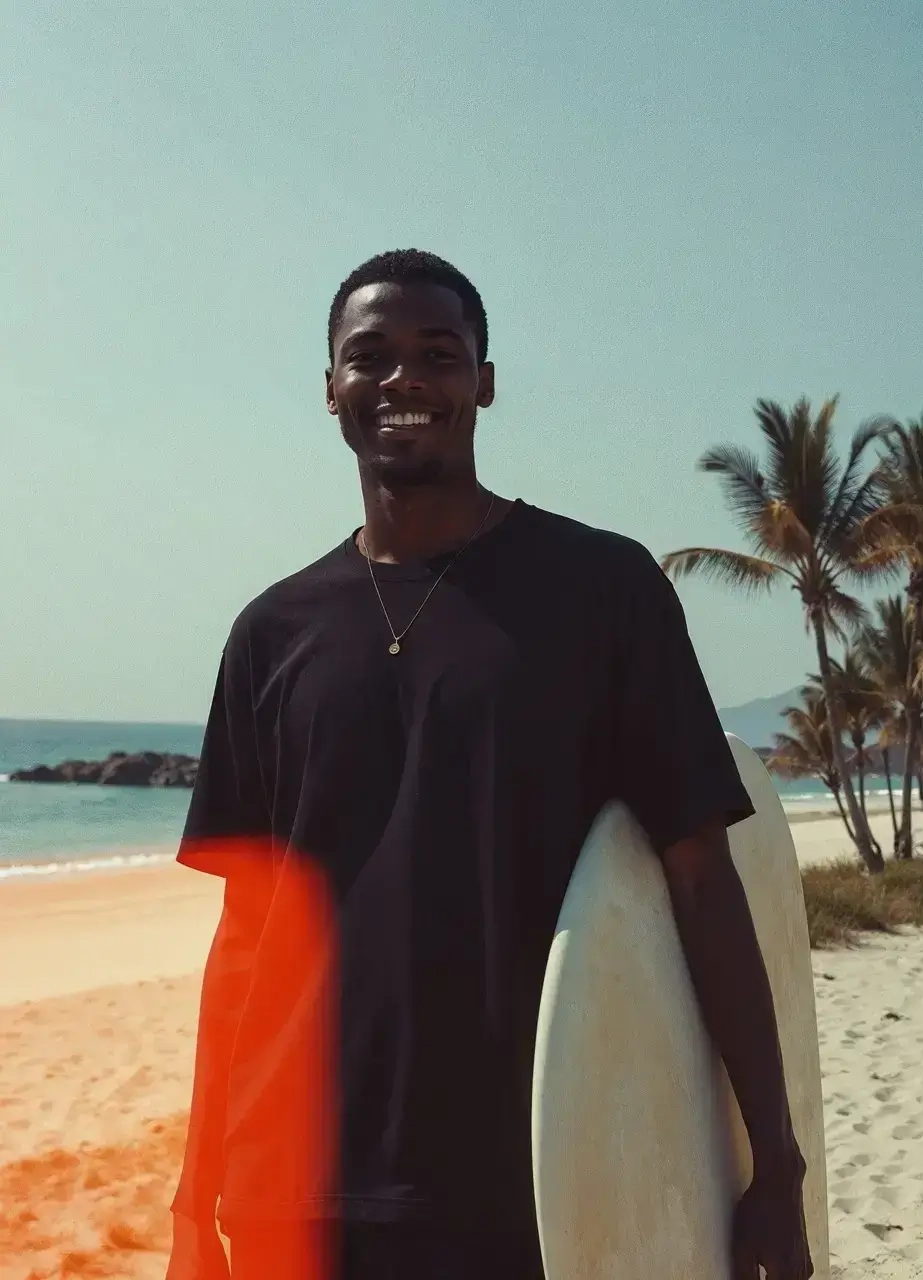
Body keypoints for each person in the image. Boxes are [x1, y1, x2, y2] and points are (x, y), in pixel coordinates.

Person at [166, 249, 812, 1280]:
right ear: (330, 386)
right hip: (302, 1184)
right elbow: (247, 937)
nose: (403, 379)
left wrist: (777, 1162)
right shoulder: (270, 633)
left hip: (546, 1177)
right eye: (370, 355)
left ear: (486, 381)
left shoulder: (602, 590)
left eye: (439, 353)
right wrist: (195, 1195)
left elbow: (700, 877)